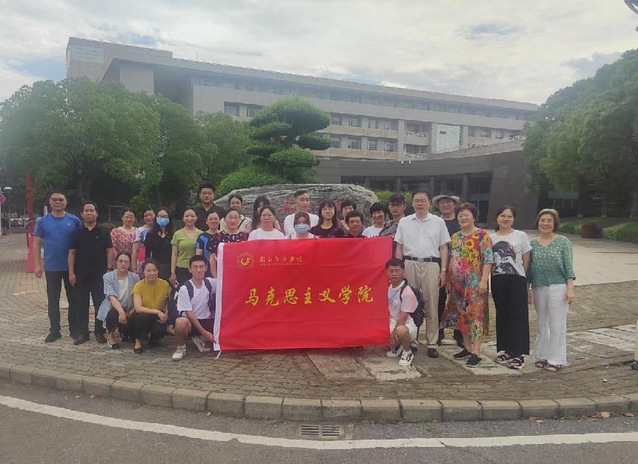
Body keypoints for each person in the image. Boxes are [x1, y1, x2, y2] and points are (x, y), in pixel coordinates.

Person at [394, 190, 450, 359]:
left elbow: (443, 248)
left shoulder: (438, 222)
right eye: (417, 200)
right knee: (410, 304)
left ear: (429, 202)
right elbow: (399, 247)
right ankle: (412, 340)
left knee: (432, 304)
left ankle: (432, 342)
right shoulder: (404, 222)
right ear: (412, 203)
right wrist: (399, 269)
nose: (420, 204)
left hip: (431, 265)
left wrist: (443, 271)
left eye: (423, 200)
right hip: (409, 264)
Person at [528, 208, 575, 373]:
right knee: (542, 323)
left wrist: (570, 288)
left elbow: (569, 266)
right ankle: (541, 355)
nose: (545, 223)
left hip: (558, 286)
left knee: (557, 324)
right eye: (543, 220)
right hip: (538, 287)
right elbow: (529, 269)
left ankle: (556, 359)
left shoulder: (563, 242)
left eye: (549, 221)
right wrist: (527, 288)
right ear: (538, 222)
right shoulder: (532, 244)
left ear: (555, 223)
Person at [446, 203, 493, 368]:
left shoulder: (482, 236)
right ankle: (467, 347)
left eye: (466, 215)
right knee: (462, 315)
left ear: (474, 217)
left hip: (475, 283)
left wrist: (484, 280)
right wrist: (449, 280)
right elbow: (452, 260)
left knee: (476, 315)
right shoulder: (455, 237)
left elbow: (488, 260)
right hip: (458, 284)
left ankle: (476, 351)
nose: (463, 218)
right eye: (460, 215)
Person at [33, 190, 82, 343]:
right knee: (53, 300)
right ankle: (54, 330)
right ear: (50, 202)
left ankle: (74, 329)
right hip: (52, 267)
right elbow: (36, 243)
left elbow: (81, 242)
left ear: (66, 202)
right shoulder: (42, 221)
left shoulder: (74, 220)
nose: (58, 202)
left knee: (73, 299)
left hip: (71, 268)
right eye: (54, 200)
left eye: (61, 199)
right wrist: (37, 264)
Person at [490, 205, 531, 370]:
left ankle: (518, 353)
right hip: (497, 280)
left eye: (509, 216)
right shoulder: (490, 238)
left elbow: (526, 259)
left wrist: (521, 276)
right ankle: (506, 350)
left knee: (518, 316)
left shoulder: (521, 235)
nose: (505, 219)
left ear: (513, 219)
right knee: (502, 315)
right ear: (497, 218)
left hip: (517, 280)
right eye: (502, 215)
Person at [68, 201, 114, 345]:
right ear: (82, 214)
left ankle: (99, 332)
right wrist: (71, 273)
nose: (89, 213)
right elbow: (71, 253)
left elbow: (109, 251)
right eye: (86, 211)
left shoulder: (103, 232)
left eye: (92, 210)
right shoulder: (76, 232)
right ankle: (83, 333)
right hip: (80, 274)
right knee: (81, 305)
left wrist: (109, 269)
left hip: (100, 275)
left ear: (96, 213)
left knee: (100, 304)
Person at [432, 192, 463, 347]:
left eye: (448, 202)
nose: (445, 205)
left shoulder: (460, 222)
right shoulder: (435, 222)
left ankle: (460, 333)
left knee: (459, 300)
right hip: (439, 266)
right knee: (439, 300)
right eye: (442, 202)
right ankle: (438, 331)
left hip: (460, 267)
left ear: (454, 204)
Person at [172, 255, 217, 360]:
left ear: (206, 268)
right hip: (191, 323)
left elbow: (227, 282)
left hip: (206, 320)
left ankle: (199, 338)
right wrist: (204, 332)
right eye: (195, 267)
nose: (198, 270)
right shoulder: (185, 288)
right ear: (190, 269)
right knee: (180, 322)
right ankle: (181, 347)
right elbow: (189, 314)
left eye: (201, 267)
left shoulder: (210, 283)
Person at [96, 252, 140, 349]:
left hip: (129, 308)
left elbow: (136, 294)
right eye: (120, 261)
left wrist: (133, 310)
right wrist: (121, 312)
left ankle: (125, 332)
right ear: (116, 262)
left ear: (130, 263)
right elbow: (111, 296)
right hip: (112, 307)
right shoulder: (108, 277)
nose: (123, 264)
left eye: (126, 262)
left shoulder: (135, 277)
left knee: (132, 325)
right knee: (113, 313)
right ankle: (110, 335)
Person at [127, 259, 172, 354]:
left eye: (154, 270)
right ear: (143, 272)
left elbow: (168, 301)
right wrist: (158, 312)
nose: (152, 273)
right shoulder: (138, 286)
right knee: (142, 317)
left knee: (161, 327)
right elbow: (138, 308)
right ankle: (138, 341)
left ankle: (154, 339)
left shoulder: (164, 284)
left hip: (157, 315)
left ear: (158, 271)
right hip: (142, 314)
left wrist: (166, 313)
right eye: (148, 271)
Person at [385, 258, 419, 367]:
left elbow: (403, 318)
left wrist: (393, 335)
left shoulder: (407, 291)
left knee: (400, 330)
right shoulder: (387, 287)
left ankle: (407, 351)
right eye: (391, 271)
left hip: (406, 324)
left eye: (397, 271)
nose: (394, 274)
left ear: (403, 272)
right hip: (391, 321)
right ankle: (397, 346)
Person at [206, 209, 249, 278]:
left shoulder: (245, 236)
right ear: (225, 219)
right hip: (223, 274)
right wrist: (215, 277)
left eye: (236, 217)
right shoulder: (218, 237)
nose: (233, 220)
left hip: (241, 274)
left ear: (239, 219)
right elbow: (212, 258)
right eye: (230, 217)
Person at [170, 207, 203, 287]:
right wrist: (173, 272)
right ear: (183, 218)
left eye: (192, 216)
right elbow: (174, 254)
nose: (189, 218)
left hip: (196, 269)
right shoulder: (177, 234)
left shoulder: (201, 234)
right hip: (181, 269)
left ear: (196, 217)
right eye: (187, 216)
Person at [143, 207, 173, 281]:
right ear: (156, 218)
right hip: (155, 267)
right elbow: (147, 253)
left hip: (169, 266)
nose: (163, 218)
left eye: (165, 216)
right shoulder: (150, 234)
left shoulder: (172, 234)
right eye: (161, 216)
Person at [195, 211, 222, 276]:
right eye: (210, 219)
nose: (213, 221)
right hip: (206, 271)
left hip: (222, 269)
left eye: (216, 219)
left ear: (219, 220)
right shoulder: (202, 237)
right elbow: (198, 256)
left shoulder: (224, 235)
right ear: (206, 221)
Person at [131, 207, 155, 274]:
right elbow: (134, 251)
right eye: (146, 216)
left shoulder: (161, 229)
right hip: (143, 262)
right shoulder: (139, 231)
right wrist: (134, 268)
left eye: (151, 215)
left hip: (158, 262)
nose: (149, 217)